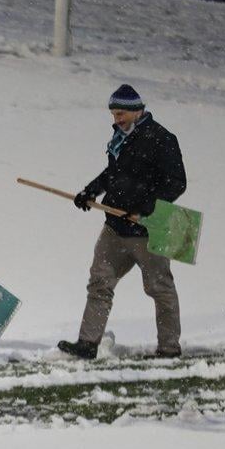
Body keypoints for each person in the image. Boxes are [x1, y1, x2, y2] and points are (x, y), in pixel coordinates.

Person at [58, 85, 187, 360]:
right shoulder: (119, 138)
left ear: (137, 111)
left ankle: (169, 348)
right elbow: (114, 173)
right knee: (99, 283)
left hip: (148, 230)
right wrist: (91, 190)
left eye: (121, 114)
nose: (116, 119)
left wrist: (145, 209)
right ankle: (87, 343)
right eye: (114, 114)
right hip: (114, 228)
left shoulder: (161, 139)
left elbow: (177, 183)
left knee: (160, 288)